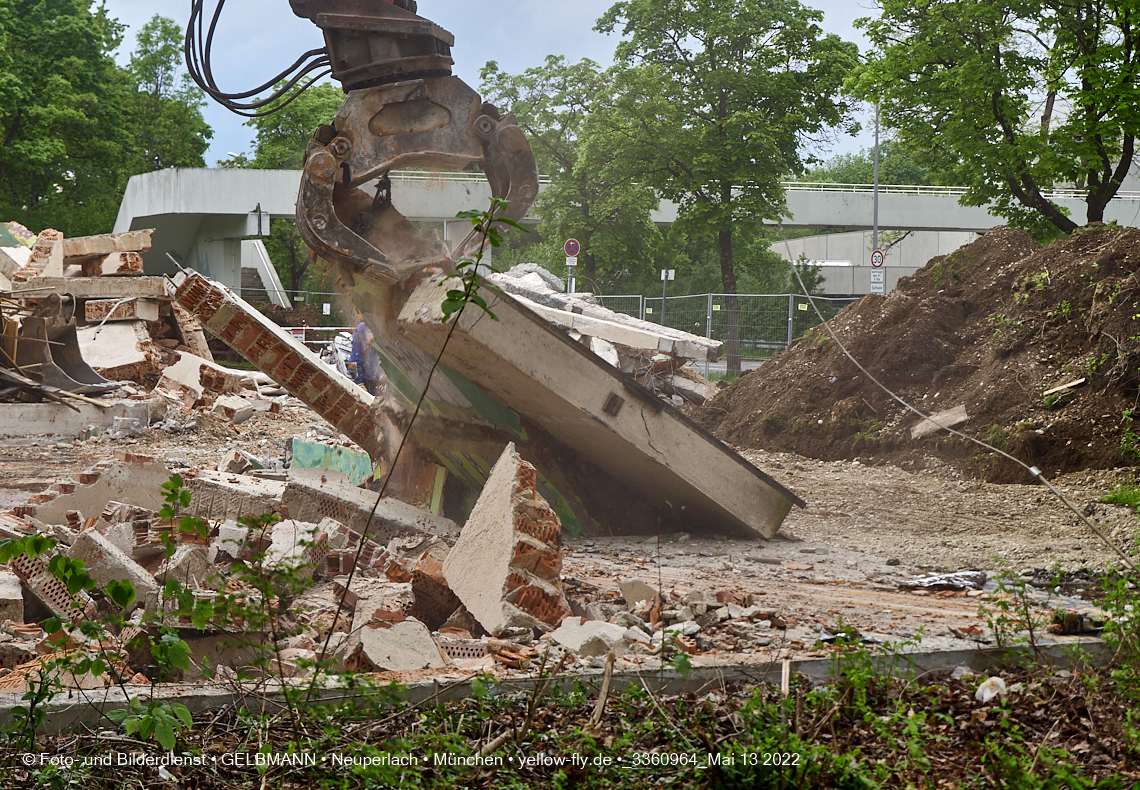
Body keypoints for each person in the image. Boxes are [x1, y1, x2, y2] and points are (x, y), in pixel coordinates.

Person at [348, 314, 383, 395]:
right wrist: (360, 383)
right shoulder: (362, 329)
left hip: (382, 382)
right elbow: (355, 359)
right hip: (368, 381)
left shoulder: (386, 330)